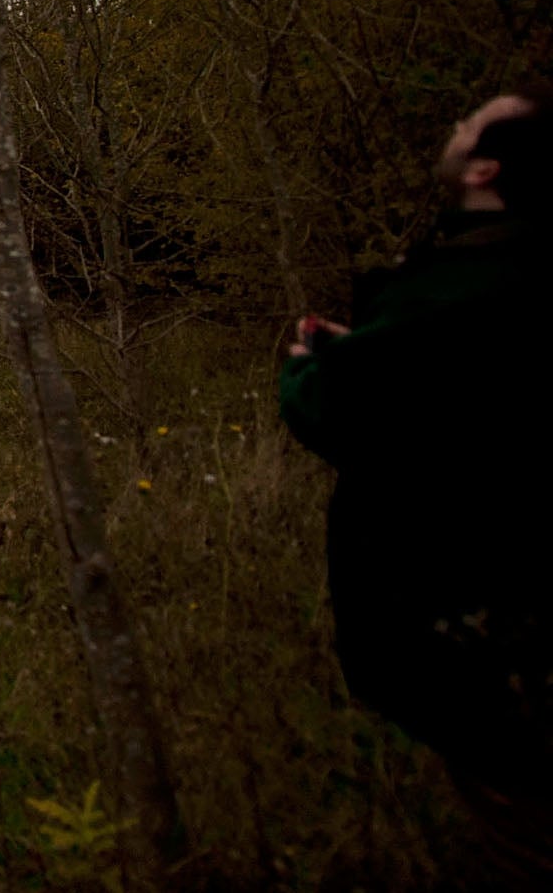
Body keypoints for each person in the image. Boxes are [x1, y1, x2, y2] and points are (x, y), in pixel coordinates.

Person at [284, 82, 553, 882]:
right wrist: (369, 346)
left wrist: (308, 373)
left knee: (524, 833)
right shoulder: (500, 271)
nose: (457, 123)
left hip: (489, 628)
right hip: (499, 616)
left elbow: (347, 414)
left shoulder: (469, 286)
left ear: (485, 168)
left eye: (472, 124)